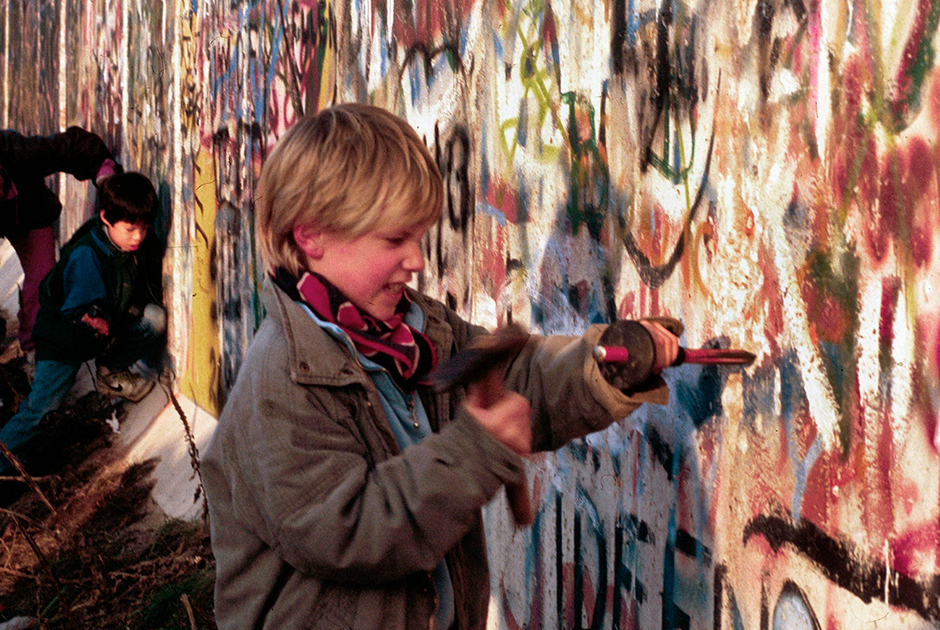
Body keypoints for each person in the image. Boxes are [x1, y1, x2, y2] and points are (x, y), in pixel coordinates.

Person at [202, 103, 680, 630]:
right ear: (311, 236)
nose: (417, 260)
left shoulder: (416, 333)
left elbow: (517, 383)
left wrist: (606, 364)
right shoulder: (281, 381)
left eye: (419, 237)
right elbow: (350, 533)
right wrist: (475, 452)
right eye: (394, 240)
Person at [0, 171, 165, 477]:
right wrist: (94, 316)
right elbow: (78, 307)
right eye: (130, 229)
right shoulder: (87, 255)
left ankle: (109, 370)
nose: (138, 237)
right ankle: (3, 459)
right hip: (62, 340)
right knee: (42, 408)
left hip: (98, 330)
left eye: (144, 228)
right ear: (105, 218)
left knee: (153, 319)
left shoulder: (127, 246)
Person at [0, 126, 120, 350]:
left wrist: (104, 173)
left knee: (43, 278)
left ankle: (35, 347)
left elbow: (71, 145)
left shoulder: (18, 152)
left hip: (31, 214)